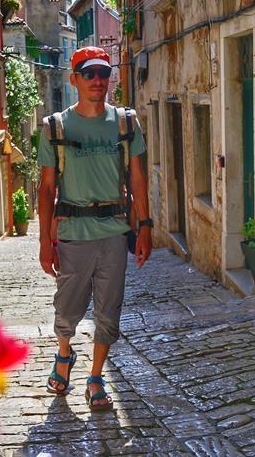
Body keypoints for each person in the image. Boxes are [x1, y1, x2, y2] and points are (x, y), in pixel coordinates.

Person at [37, 46, 152, 412]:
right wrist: (44, 242)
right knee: (68, 309)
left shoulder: (125, 122)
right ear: (75, 79)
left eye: (103, 73)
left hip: (114, 232)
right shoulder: (56, 127)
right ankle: (64, 353)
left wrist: (145, 226)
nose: (97, 80)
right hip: (72, 233)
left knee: (109, 310)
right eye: (89, 74)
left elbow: (138, 177)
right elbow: (46, 187)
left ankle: (96, 377)